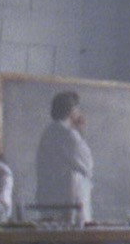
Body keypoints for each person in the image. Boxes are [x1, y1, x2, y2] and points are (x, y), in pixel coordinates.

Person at [34, 89, 94, 224]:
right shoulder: (69, 135)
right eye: (77, 109)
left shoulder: (48, 133)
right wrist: (81, 132)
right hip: (69, 203)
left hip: (48, 200)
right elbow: (87, 166)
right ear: (72, 111)